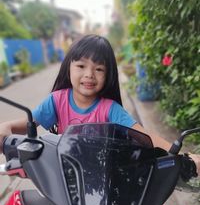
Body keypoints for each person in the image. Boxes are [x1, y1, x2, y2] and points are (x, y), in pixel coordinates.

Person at [0, 34, 200, 175]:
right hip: (61, 178)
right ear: (68, 67)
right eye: (81, 66)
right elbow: (26, 124)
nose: (89, 74)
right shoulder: (56, 101)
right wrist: (6, 128)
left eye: (99, 69)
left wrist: (182, 156)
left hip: (104, 179)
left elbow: (146, 136)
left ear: (108, 75)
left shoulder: (110, 109)